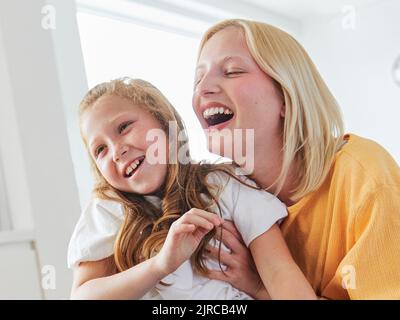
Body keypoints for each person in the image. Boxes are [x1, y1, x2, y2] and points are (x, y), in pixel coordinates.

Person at [192, 18, 400, 299]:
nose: (202, 88)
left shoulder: (364, 175)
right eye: (198, 78)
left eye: (232, 71)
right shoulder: (220, 196)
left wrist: (260, 288)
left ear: (287, 97)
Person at [67, 78, 317, 299]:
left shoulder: (223, 184)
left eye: (124, 128)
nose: (117, 151)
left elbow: (279, 271)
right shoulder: (109, 211)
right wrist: (160, 265)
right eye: (100, 150)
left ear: (163, 122)